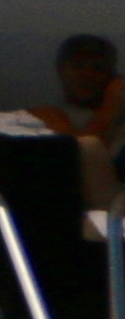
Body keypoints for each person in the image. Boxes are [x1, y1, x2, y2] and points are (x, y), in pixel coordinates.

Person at [48, 35, 125, 217]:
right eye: (78, 67)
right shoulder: (51, 115)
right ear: (61, 70)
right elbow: (78, 158)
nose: (87, 75)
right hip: (100, 213)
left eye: (98, 69)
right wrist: (111, 105)